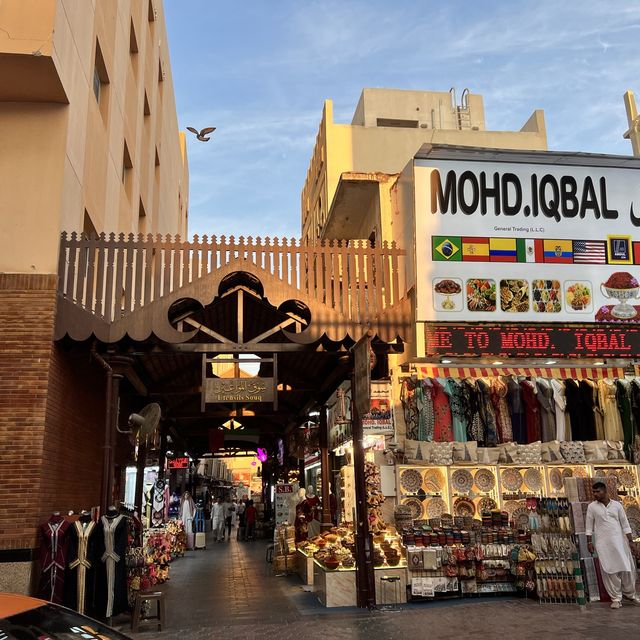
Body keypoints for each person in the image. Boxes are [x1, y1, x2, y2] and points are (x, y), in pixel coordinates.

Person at [586, 481, 640, 608]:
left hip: (621, 543)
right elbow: (588, 527)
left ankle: (631, 595)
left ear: (605, 491)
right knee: (609, 570)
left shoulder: (617, 505)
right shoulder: (592, 507)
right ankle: (616, 598)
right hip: (603, 544)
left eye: (597, 491)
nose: (595, 494)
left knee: (626, 568)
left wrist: (631, 542)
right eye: (593, 492)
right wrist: (589, 542)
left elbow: (625, 524)